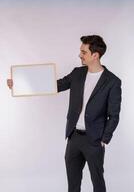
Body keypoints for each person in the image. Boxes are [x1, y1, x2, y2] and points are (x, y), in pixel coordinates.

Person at [7, 35, 122, 192]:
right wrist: (18, 84)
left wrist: (104, 139)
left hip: (94, 140)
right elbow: (55, 85)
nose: (79, 55)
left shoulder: (112, 81)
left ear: (95, 55)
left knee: (98, 182)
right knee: (73, 183)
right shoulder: (77, 73)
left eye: (83, 52)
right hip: (74, 138)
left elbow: (114, 115)